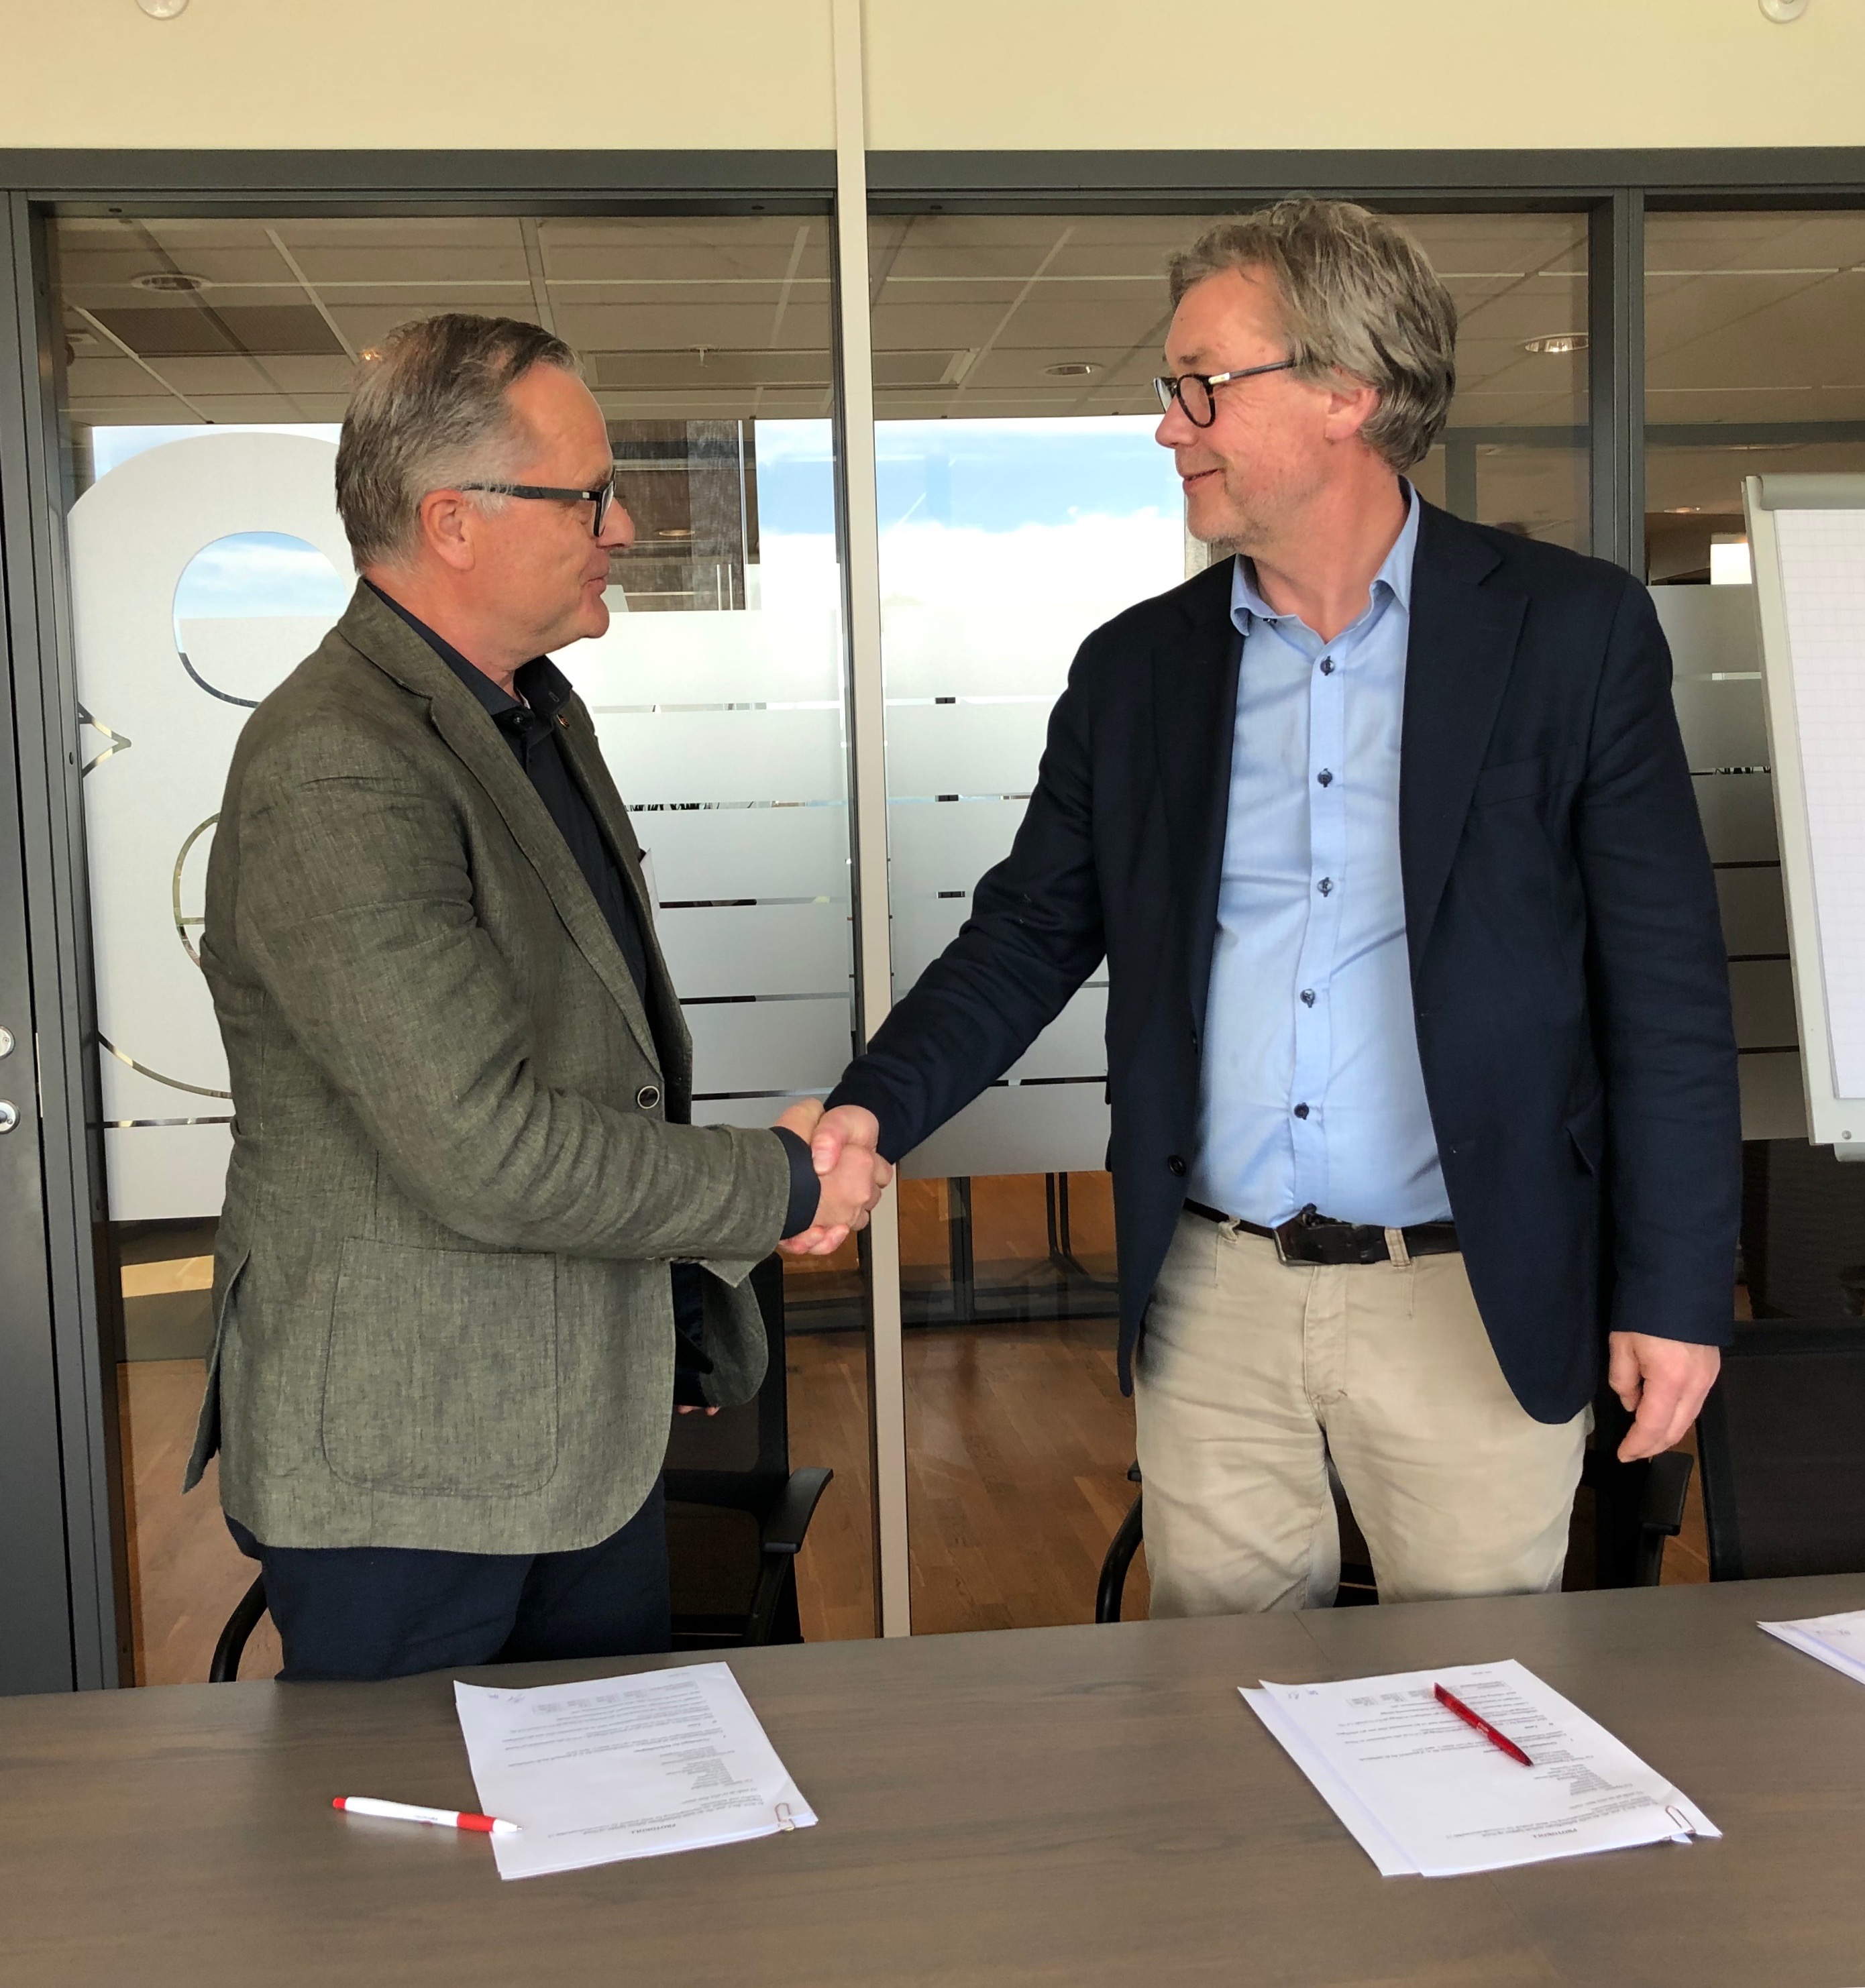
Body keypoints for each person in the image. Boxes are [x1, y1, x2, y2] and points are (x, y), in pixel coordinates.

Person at [796, 200, 1740, 1615]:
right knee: (1220, 1706)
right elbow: (1027, 933)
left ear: (1347, 393)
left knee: (1476, 1698)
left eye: (1202, 386)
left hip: (1472, 1291)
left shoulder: (1571, 631)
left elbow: (1666, 989)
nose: (1168, 426)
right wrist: (873, 1107)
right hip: (1213, 1290)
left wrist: (1674, 1290)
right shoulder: (1136, 671)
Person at [186, 313, 890, 1679]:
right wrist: (781, 1183)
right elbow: (484, 1149)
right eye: (588, 496)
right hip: (411, 1471)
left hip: (579, 1444)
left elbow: (600, 1065)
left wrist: (674, 1320)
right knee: (422, 1824)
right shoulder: (338, 761)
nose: (622, 526)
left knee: (600, 1806)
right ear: (452, 521)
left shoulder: (533, 713)